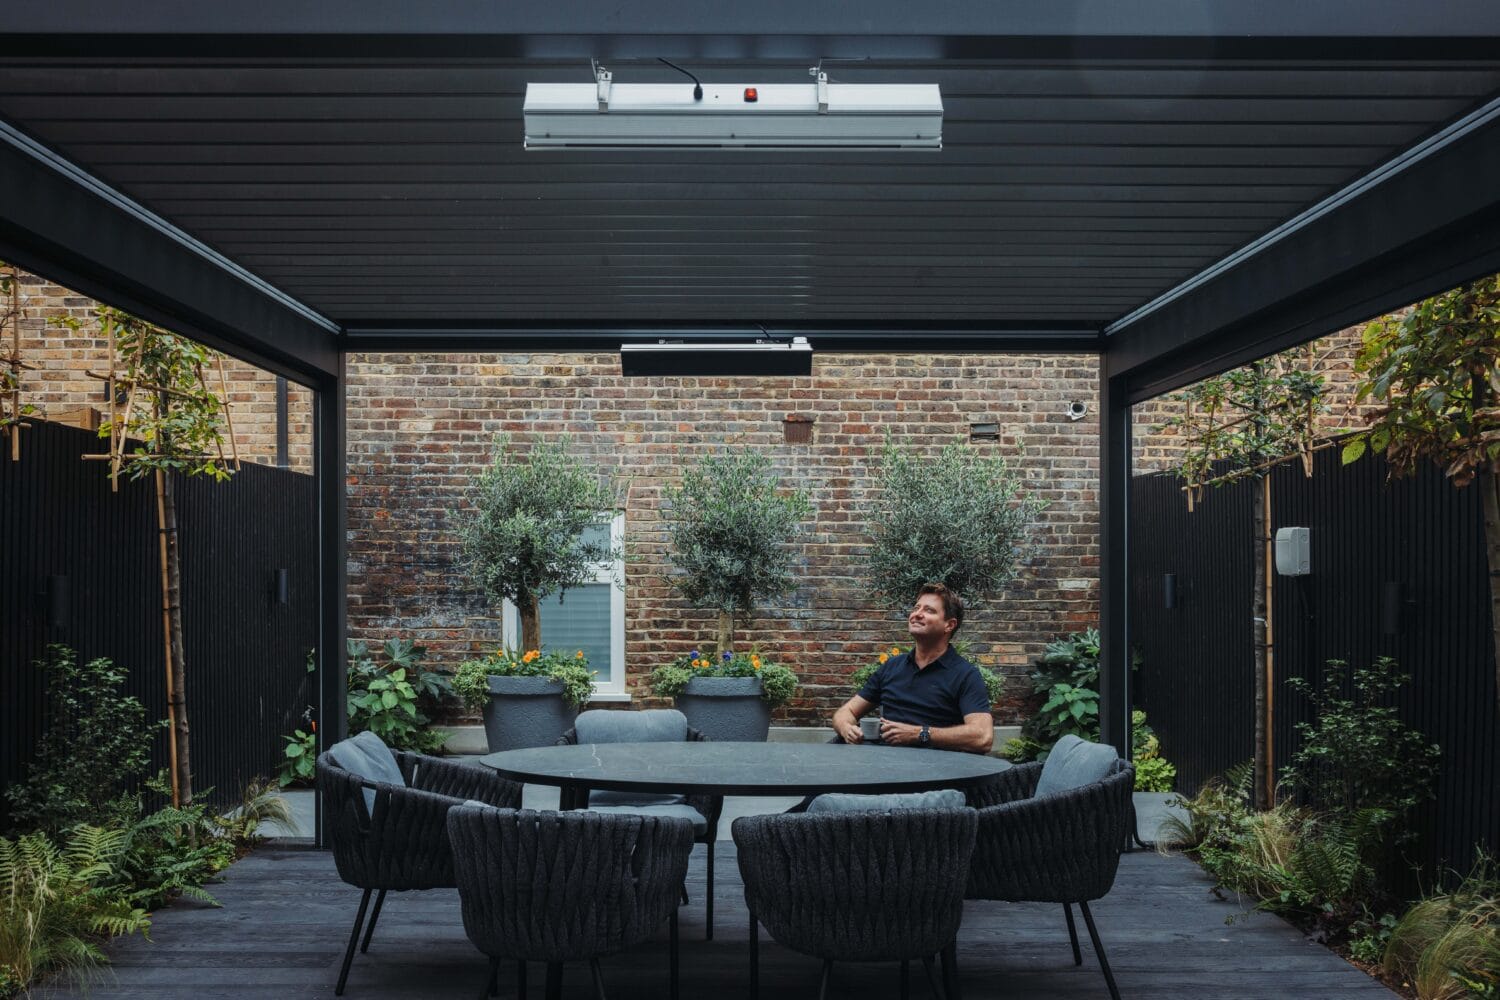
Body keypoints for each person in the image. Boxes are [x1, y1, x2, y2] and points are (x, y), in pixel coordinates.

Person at [832, 583, 994, 754]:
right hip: (880, 762)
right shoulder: (892, 666)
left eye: (929, 610)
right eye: (916, 608)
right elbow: (846, 711)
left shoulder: (965, 674)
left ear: (949, 625)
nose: (917, 614)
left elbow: (982, 737)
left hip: (932, 771)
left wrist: (920, 734)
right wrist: (846, 728)